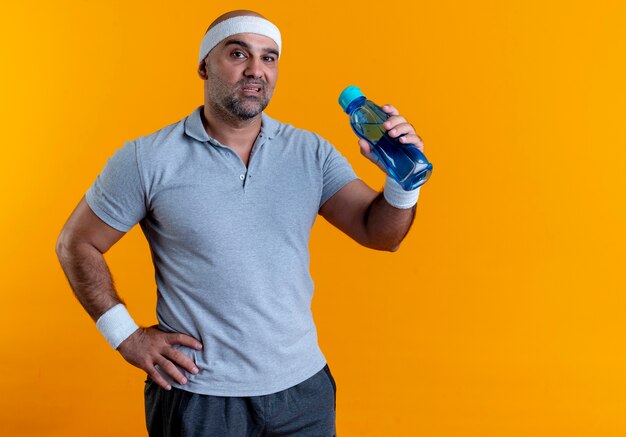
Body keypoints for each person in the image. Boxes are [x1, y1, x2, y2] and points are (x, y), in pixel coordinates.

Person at [56, 9, 425, 437]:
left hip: (303, 392)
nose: (256, 70)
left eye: (269, 58)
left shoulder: (310, 152)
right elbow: (75, 243)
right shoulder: (147, 158)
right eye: (238, 53)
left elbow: (381, 234)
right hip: (199, 396)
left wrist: (403, 181)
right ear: (203, 66)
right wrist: (125, 336)